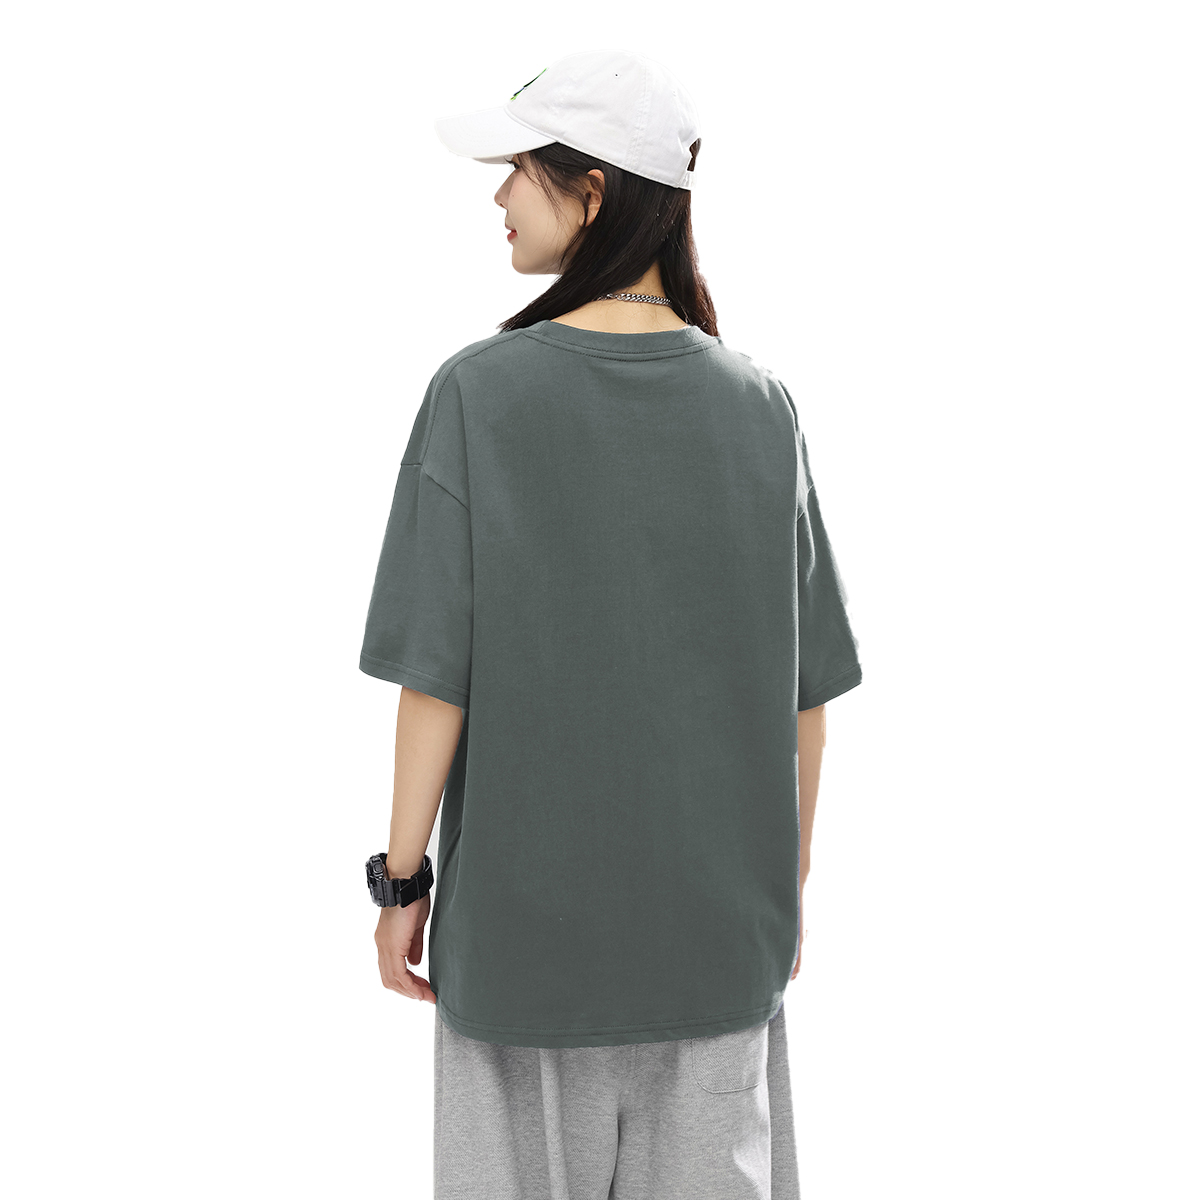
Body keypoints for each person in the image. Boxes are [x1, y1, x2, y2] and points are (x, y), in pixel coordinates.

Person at [358, 49, 862, 1199]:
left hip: (524, 957)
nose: (498, 194)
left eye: (519, 170)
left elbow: (436, 681)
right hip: (718, 953)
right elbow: (806, 702)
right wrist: (781, 896)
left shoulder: (478, 395)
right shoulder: (762, 409)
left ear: (593, 191)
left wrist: (400, 886)